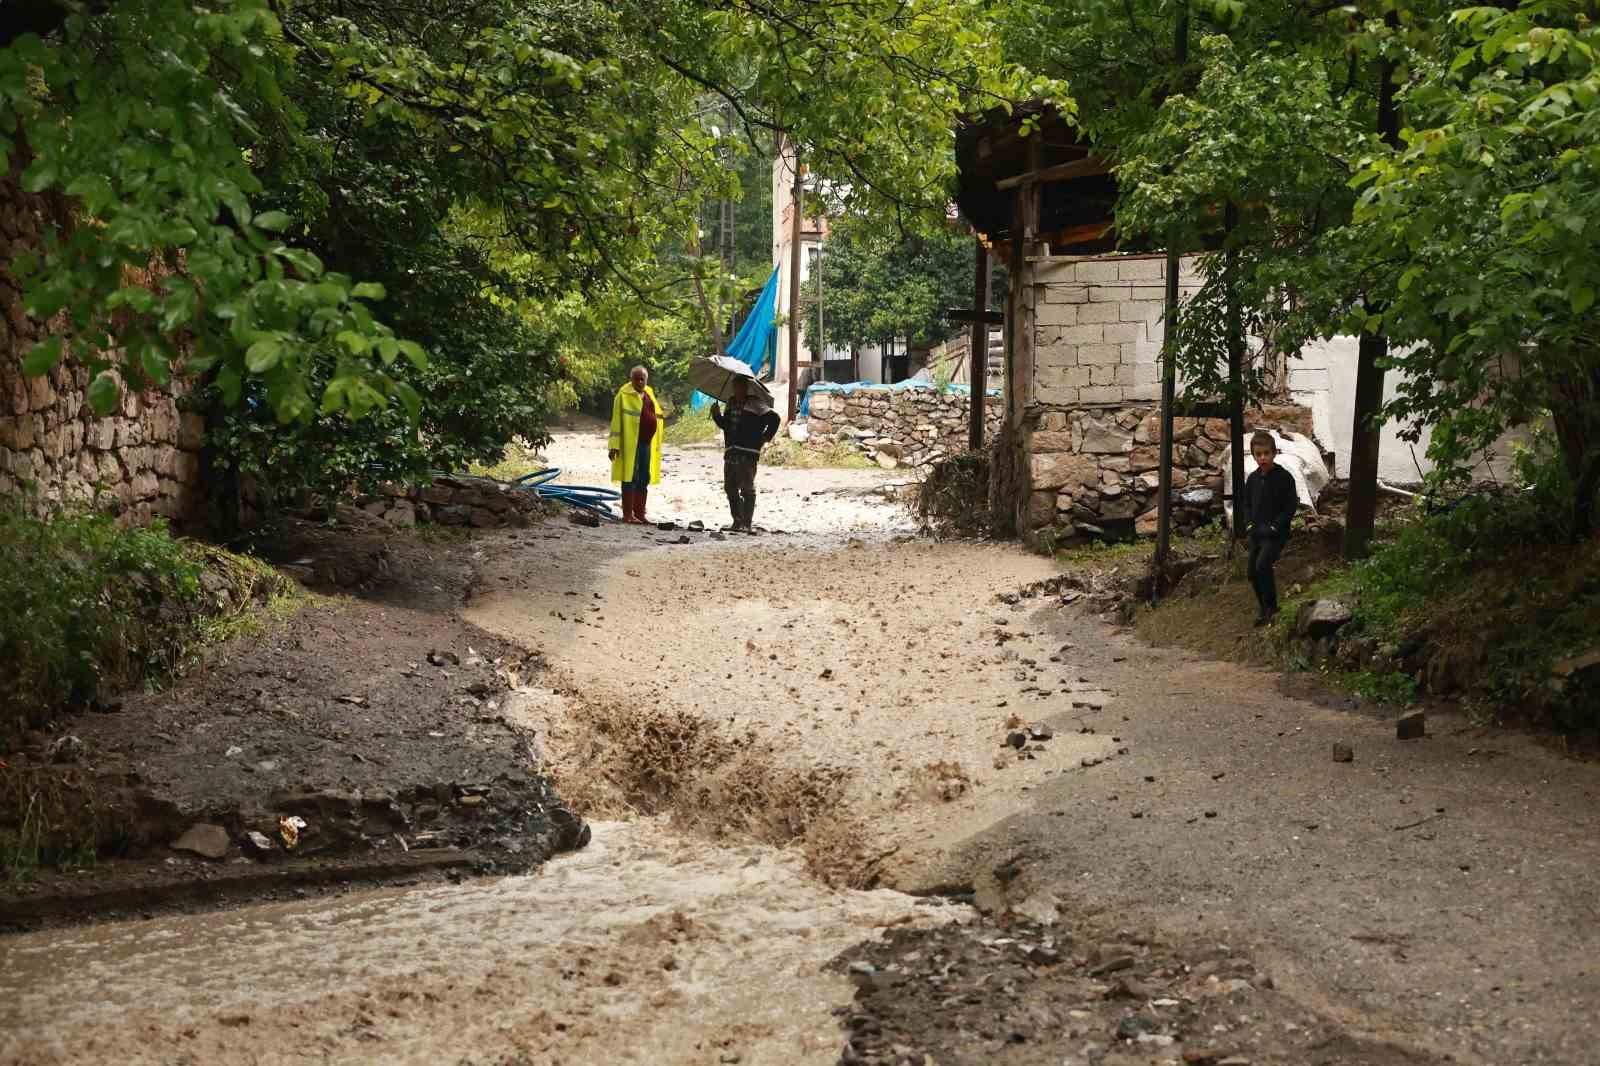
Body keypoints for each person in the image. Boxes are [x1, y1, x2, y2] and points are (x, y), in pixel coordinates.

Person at [1241, 430, 1298, 626]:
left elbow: (1291, 506)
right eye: (1258, 454)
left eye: (1266, 453)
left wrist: (1276, 526)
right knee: (1251, 572)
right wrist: (1248, 524)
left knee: (1262, 565)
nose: (1263, 458)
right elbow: (1246, 504)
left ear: (1274, 453)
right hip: (1257, 533)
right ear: (1254, 455)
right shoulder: (1253, 479)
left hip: (1275, 535)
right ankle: (1263, 608)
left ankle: (1272, 607)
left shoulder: (1284, 478)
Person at [710, 378, 780, 532]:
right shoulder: (730, 402)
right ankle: (737, 521)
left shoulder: (756, 403)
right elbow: (726, 425)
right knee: (730, 486)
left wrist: (764, 438)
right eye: (735, 387)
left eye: (740, 387)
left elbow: (775, 419)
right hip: (731, 450)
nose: (737, 390)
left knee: (747, 487)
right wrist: (716, 416)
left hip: (748, 451)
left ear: (746, 388)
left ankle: (747, 523)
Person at [607, 366, 665, 524]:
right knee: (630, 477)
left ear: (646, 380)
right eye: (636, 379)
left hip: (646, 443)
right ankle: (627, 514)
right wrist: (614, 445)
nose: (639, 382)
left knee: (644, 477)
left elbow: (656, 415)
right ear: (631, 379)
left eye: (642, 379)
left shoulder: (649, 393)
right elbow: (616, 421)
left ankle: (640, 514)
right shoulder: (623, 395)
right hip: (630, 444)